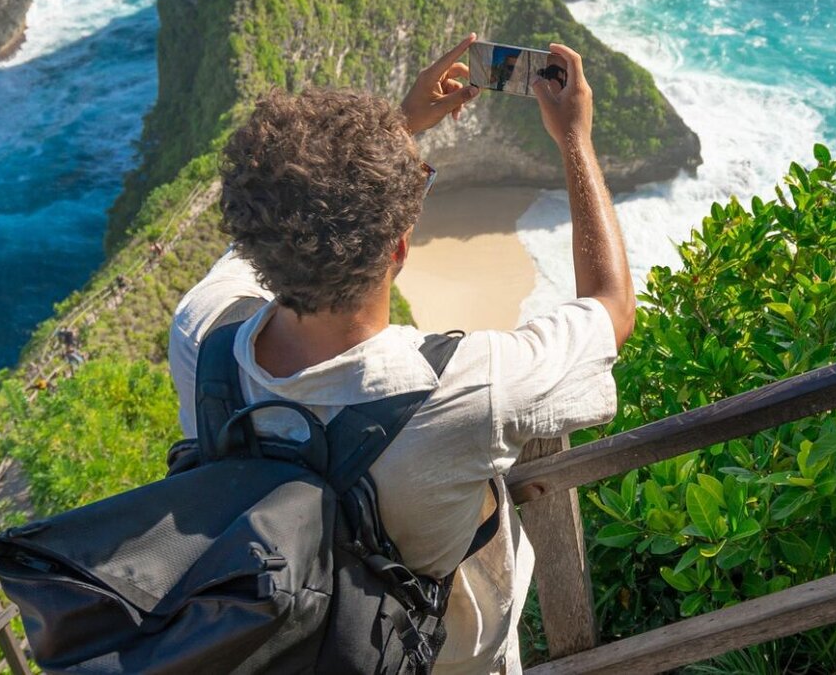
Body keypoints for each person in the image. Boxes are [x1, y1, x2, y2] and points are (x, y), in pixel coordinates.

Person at [167, 34, 634, 675]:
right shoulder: (466, 388)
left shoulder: (201, 335)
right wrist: (575, 140)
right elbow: (611, 308)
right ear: (399, 251)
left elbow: (271, 230)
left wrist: (401, 127)